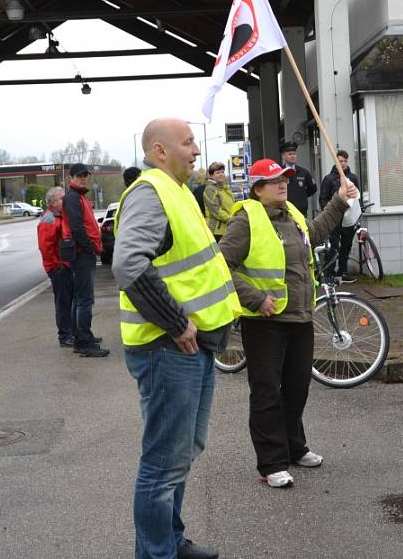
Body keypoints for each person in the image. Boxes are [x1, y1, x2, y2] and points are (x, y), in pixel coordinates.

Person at [112, 118, 241, 559]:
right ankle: (157, 554)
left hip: (192, 347)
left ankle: (170, 541)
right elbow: (128, 264)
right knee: (163, 463)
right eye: (188, 143)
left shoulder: (181, 191)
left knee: (182, 454)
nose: (196, 151)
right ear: (160, 150)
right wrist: (176, 321)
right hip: (169, 347)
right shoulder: (152, 192)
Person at [219, 158, 357, 488]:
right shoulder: (246, 219)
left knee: (297, 388)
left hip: (299, 317)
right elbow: (221, 266)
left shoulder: (292, 215)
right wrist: (254, 298)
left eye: (286, 178)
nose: (283, 184)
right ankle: (271, 462)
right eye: (275, 180)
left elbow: (318, 230)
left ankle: (295, 448)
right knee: (267, 393)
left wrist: (340, 200)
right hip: (265, 321)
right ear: (258, 188)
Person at [62, 163, 110, 357]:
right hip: (82, 254)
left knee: (79, 299)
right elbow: (76, 227)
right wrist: (90, 248)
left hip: (82, 253)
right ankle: (84, 342)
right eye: (79, 176)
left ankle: (80, 337)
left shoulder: (78, 197)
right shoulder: (73, 198)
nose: (83, 178)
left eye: (85, 176)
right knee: (85, 300)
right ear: (71, 178)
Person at [37, 186, 73, 347]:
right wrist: (55, 266)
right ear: (52, 202)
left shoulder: (59, 215)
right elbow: (45, 247)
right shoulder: (50, 219)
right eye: (61, 199)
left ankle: (72, 333)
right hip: (59, 268)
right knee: (63, 301)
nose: (65, 201)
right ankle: (65, 336)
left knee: (69, 300)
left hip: (64, 265)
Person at [318, 150, 360, 284]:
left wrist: (358, 211)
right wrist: (328, 212)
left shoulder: (352, 178)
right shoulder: (329, 179)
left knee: (346, 246)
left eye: (345, 161)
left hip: (349, 219)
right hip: (335, 218)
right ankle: (329, 273)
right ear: (336, 162)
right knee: (333, 245)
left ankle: (343, 272)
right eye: (340, 161)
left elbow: (357, 196)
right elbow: (323, 198)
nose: (342, 164)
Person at [279, 141, 317, 217]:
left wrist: (301, 196)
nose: (293, 156)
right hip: (285, 212)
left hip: (301, 212)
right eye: (290, 154)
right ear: (283, 156)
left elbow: (313, 188)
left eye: (294, 154)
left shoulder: (304, 172)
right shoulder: (279, 172)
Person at [202, 161, 234, 241]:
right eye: (217, 172)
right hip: (216, 230)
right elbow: (216, 210)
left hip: (227, 228)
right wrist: (231, 219)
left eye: (222, 172)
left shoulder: (225, 188)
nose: (221, 174)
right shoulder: (210, 189)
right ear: (211, 175)